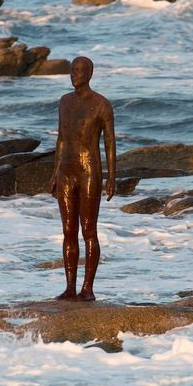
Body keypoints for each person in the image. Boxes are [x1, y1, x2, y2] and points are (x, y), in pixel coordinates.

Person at [50, 55, 116, 301]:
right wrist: (55, 171)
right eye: (71, 70)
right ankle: (69, 288)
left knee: (88, 230)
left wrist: (111, 177)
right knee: (68, 230)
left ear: (89, 74)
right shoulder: (64, 102)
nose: (73, 74)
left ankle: (87, 288)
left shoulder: (101, 104)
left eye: (78, 71)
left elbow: (110, 143)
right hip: (66, 171)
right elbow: (61, 138)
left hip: (90, 171)